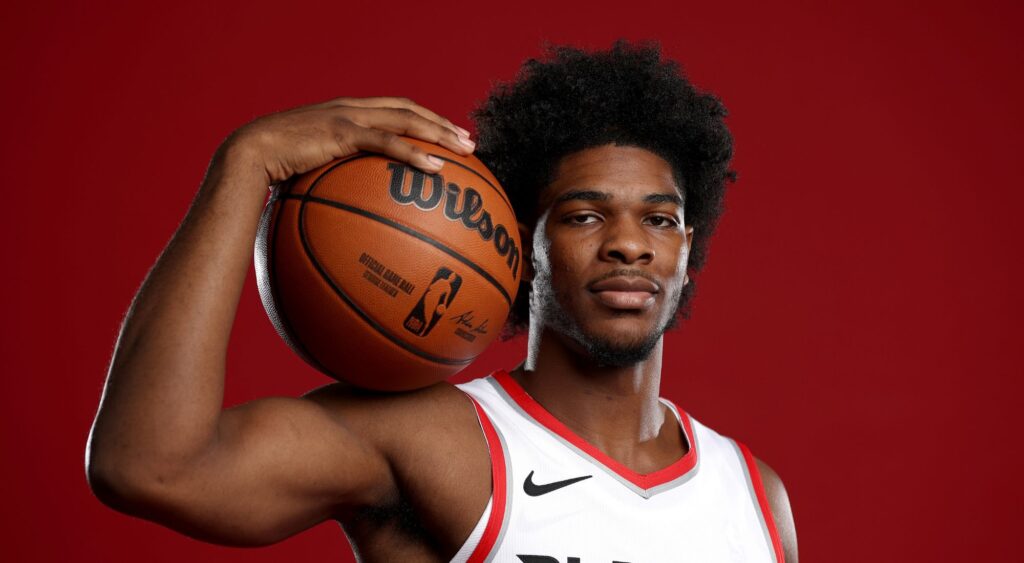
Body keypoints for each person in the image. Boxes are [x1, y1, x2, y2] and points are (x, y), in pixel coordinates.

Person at [86, 41, 798, 562]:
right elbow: (147, 464)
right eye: (584, 215)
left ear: (685, 246)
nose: (628, 245)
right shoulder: (430, 441)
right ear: (523, 247)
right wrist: (245, 161)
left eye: (659, 219)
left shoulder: (753, 495)